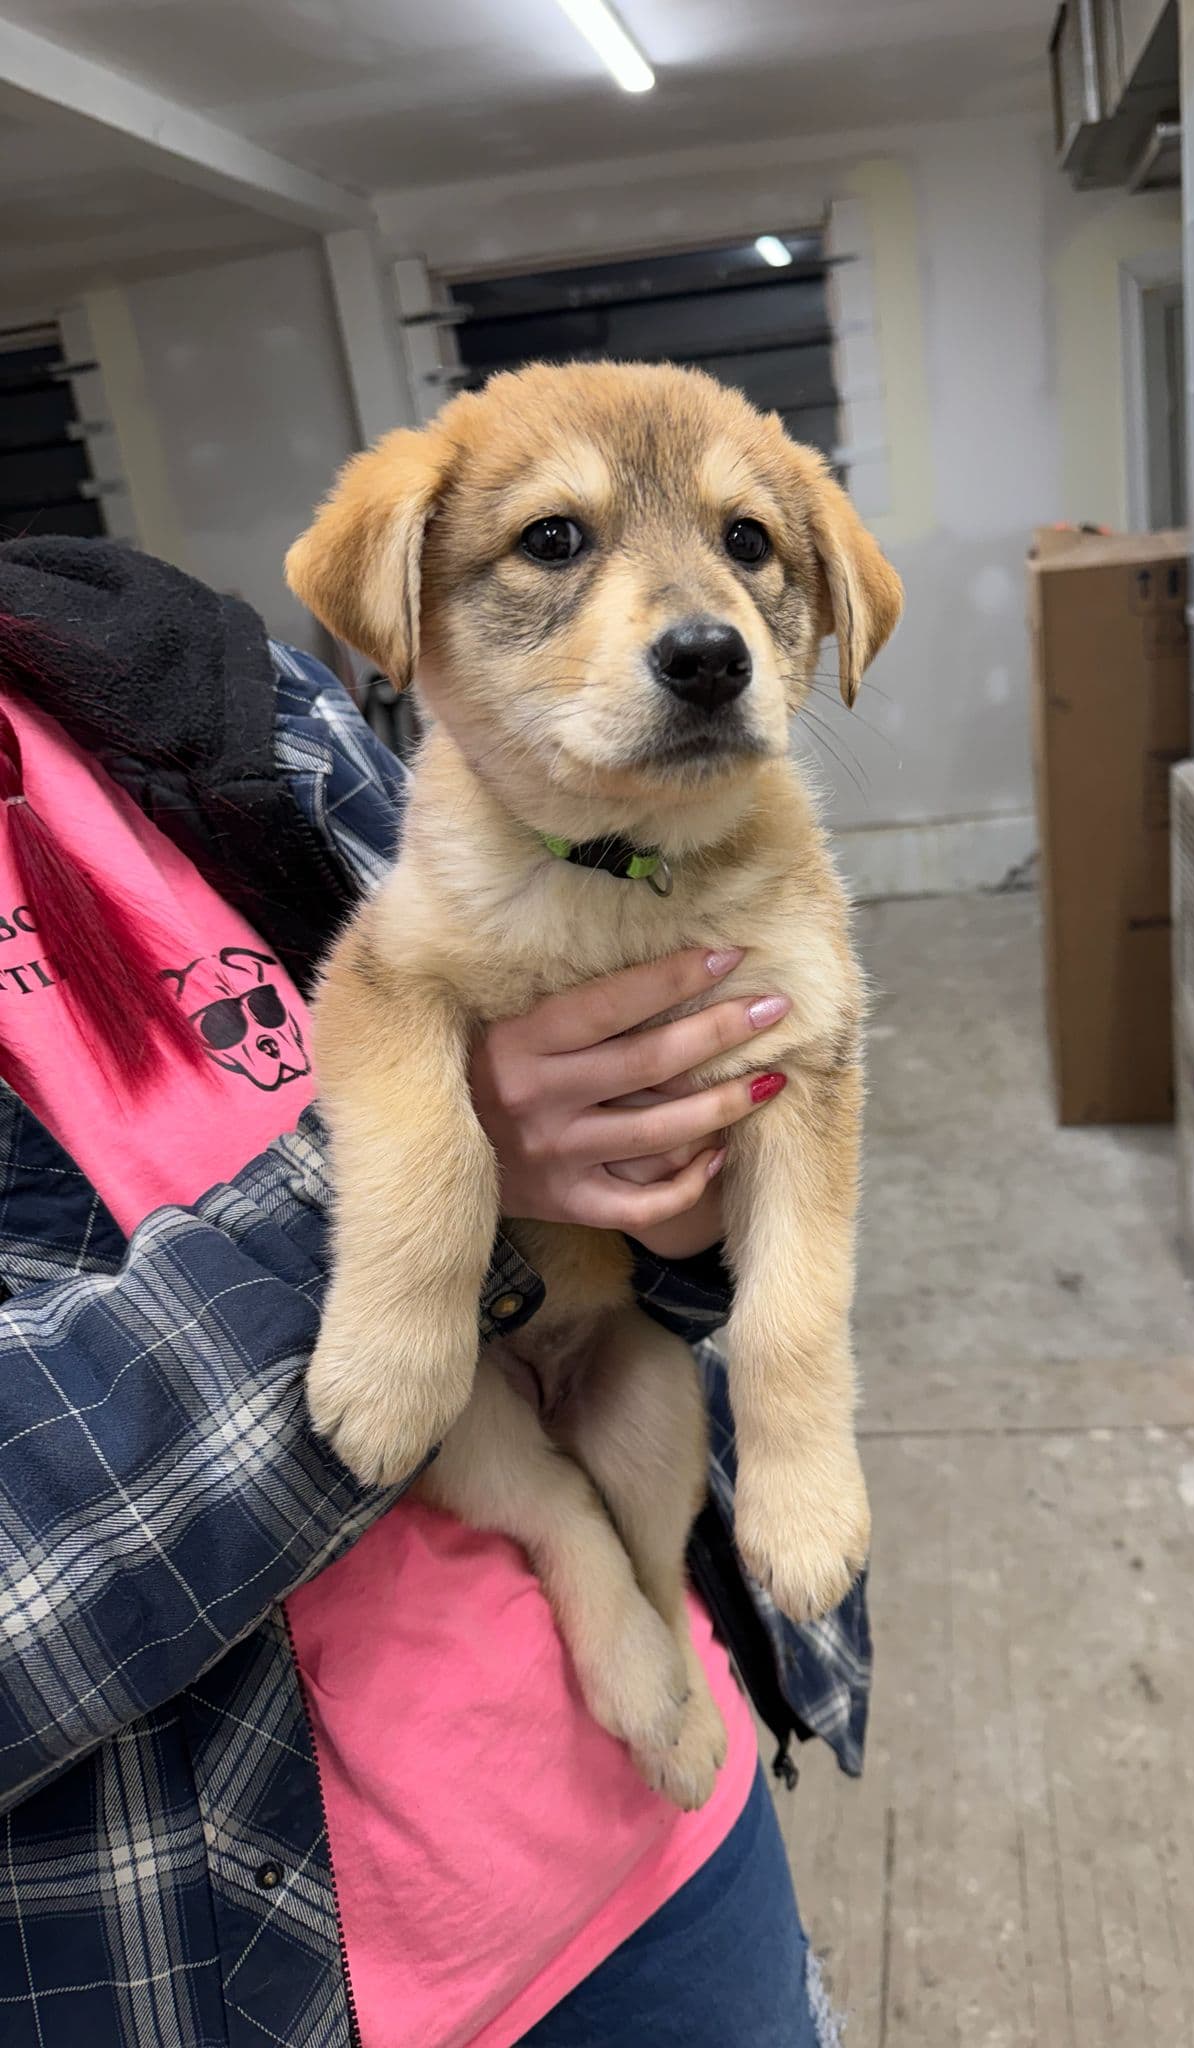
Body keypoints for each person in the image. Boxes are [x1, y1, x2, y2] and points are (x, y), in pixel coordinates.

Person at [0, 537, 870, 2048]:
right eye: (552, 542)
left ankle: (640, 1602)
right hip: (253, 1975)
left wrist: (671, 1201)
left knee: (647, 1420)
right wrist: (432, 1200)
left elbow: (708, 1199)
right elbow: (403, 1021)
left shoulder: (167, 674)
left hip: (662, 1853)